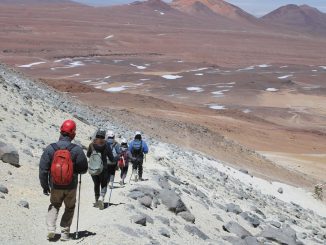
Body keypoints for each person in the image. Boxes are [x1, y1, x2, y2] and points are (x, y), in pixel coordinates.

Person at [39, 119, 88, 241]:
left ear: (60, 131)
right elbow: (84, 169)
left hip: (55, 185)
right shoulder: (76, 150)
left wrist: (45, 186)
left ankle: (51, 229)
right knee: (69, 208)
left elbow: (43, 170)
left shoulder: (51, 148)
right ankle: (65, 233)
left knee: (55, 205)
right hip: (71, 186)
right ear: (73, 134)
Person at [87, 129, 114, 210]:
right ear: (104, 136)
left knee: (96, 184)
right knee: (104, 184)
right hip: (104, 168)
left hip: (93, 168)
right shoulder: (106, 145)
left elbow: (88, 155)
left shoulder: (92, 144)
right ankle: (101, 198)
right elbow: (111, 158)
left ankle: (96, 201)